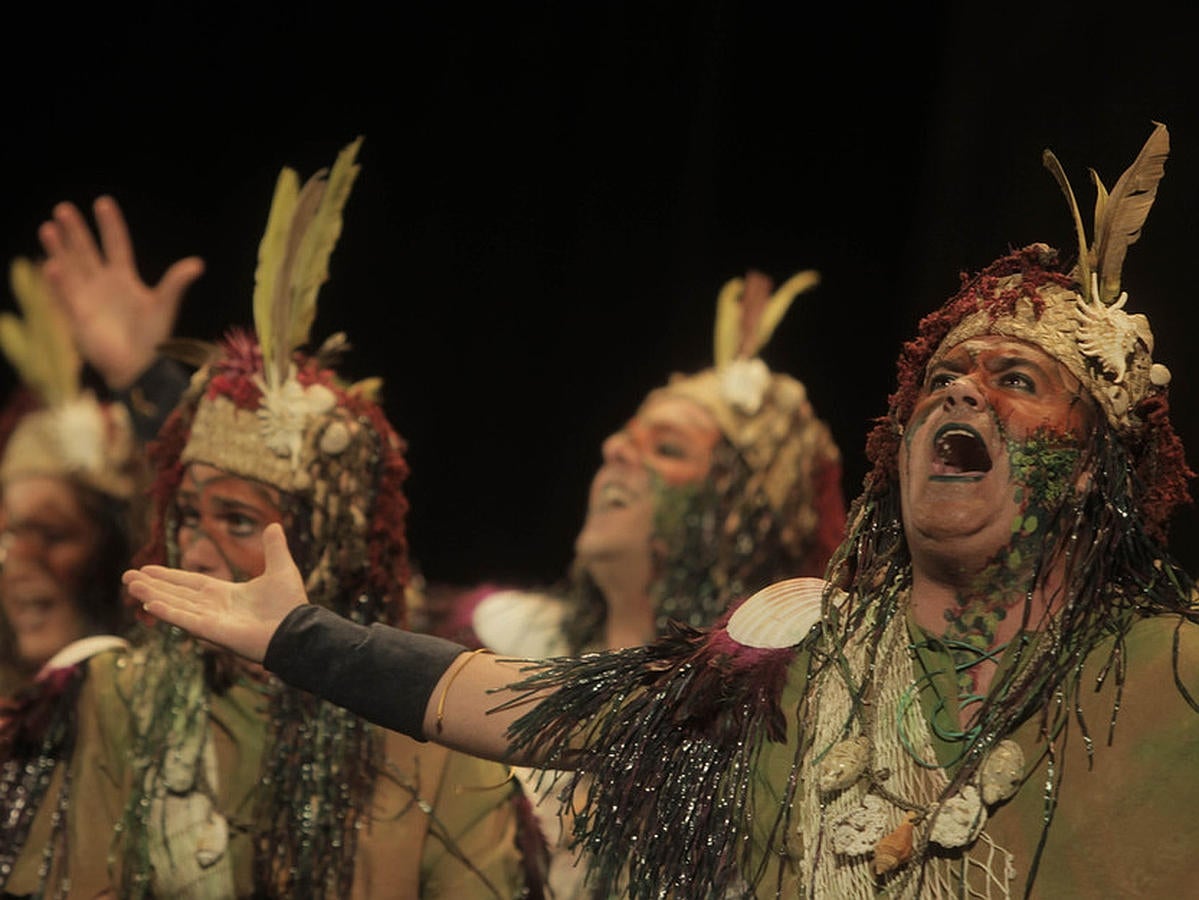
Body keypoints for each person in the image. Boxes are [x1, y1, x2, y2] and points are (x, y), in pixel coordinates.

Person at [126, 121, 1198, 898]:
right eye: (943, 379)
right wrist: (296, 636)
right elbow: (527, 705)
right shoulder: (798, 638)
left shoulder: (1169, 677)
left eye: (1017, 379)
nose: (962, 390)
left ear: (1099, 465)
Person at [107, 137, 532, 898]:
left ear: (328, 554)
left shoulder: (441, 740)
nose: (196, 552)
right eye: (186, 516)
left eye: (239, 523)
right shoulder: (110, 698)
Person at [427, 268, 844, 897]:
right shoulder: (504, 635)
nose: (616, 450)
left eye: (667, 449)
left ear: (734, 519)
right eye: (626, 437)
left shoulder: (761, 726)